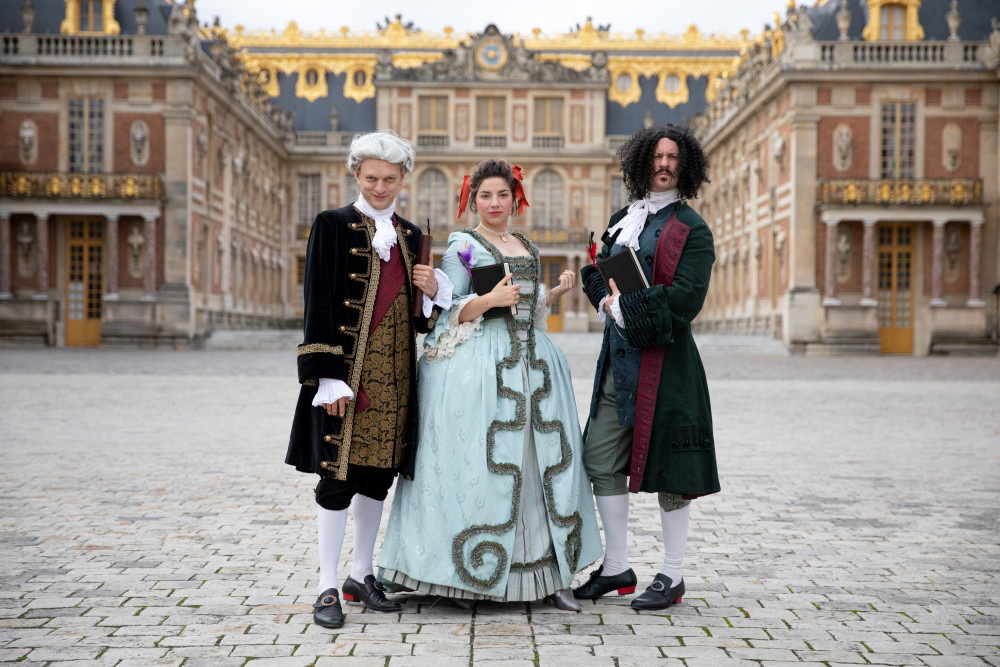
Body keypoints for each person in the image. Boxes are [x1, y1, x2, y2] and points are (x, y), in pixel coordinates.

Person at [378, 159, 602, 611]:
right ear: (472, 201)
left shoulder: (526, 244)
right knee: (484, 464)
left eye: (502, 195)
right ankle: (465, 580)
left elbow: (529, 306)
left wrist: (554, 293)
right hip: (483, 365)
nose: (494, 203)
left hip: (536, 364)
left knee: (542, 464)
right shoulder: (463, 244)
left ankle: (550, 575)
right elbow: (450, 308)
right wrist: (490, 299)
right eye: (485, 196)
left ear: (514, 198)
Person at [286, 131, 453, 629]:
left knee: (376, 479)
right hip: (348, 378)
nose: (381, 187)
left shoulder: (410, 235)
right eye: (372, 177)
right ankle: (326, 585)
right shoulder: (332, 225)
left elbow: (419, 322)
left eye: (390, 178)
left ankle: (362, 575)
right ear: (357, 175)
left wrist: (434, 292)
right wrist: (326, 378)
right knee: (336, 479)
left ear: (403, 178)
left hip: (395, 378)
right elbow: (317, 301)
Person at [574, 124, 719, 611]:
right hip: (618, 363)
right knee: (599, 458)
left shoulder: (693, 228)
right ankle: (617, 568)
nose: (664, 164)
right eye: (656, 156)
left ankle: (673, 575)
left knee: (673, 471)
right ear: (641, 162)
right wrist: (607, 304)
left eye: (673, 157)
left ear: (686, 165)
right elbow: (594, 270)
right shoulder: (623, 218)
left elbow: (685, 300)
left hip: (668, 366)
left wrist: (625, 309)